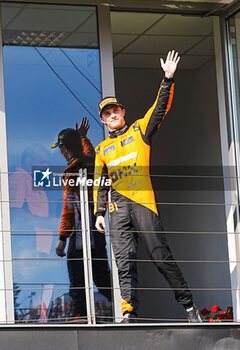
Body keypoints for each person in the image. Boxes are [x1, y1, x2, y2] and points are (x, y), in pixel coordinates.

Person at [93, 50, 201, 323]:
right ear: (103, 121)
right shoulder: (102, 148)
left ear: (122, 112)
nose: (113, 114)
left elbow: (159, 108)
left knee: (160, 256)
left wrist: (167, 79)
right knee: (123, 262)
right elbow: (99, 183)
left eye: (115, 109)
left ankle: (189, 307)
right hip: (117, 208)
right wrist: (99, 213)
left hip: (143, 203)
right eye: (108, 113)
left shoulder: (140, 130)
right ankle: (129, 313)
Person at [52, 125, 112, 321]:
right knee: (102, 276)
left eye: (61, 149)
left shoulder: (73, 170)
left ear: (66, 149)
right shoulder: (88, 163)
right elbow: (91, 154)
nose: (61, 153)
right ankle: (124, 307)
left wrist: (62, 237)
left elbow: (68, 208)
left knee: (77, 277)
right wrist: (83, 138)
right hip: (96, 228)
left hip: (80, 233)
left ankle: (81, 317)